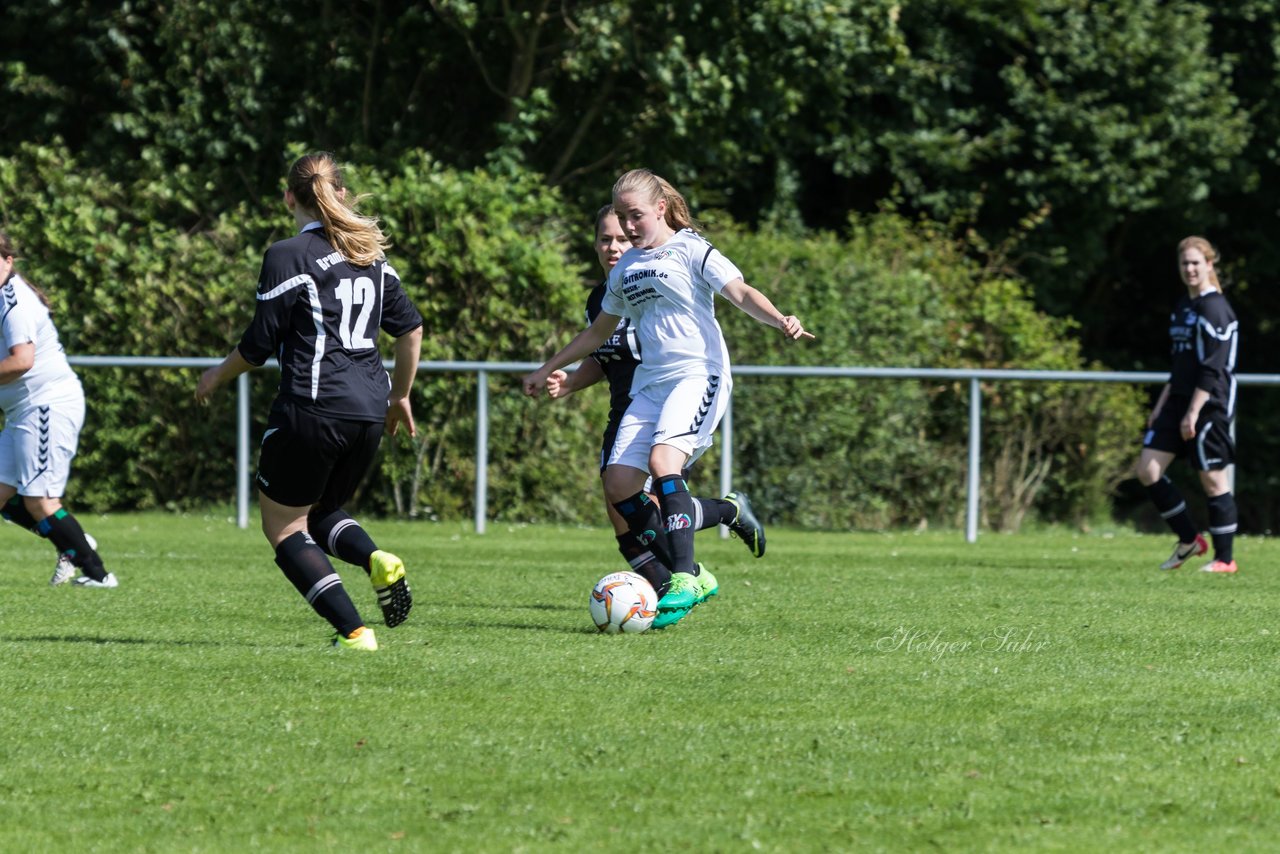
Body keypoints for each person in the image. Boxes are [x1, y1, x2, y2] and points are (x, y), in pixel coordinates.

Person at [523, 169, 812, 627]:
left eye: (635, 215)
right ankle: (712, 536)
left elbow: (738, 291)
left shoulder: (690, 248)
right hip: (650, 384)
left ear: (660, 209)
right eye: (620, 216)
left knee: (663, 464)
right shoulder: (625, 269)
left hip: (698, 373)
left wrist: (780, 319)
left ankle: (683, 576)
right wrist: (546, 368)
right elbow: (599, 332)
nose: (628, 226)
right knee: (618, 484)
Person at [196, 152, 425, 650]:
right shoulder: (371, 256)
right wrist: (401, 395)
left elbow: (257, 346)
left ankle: (355, 632)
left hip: (313, 407)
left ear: (288, 198)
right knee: (320, 513)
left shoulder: (287, 255)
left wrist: (215, 375)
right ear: (340, 194)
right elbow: (410, 329)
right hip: (368, 410)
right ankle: (376, 560)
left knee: (282, 527)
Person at [0, 232, 114, 587]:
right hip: (23, 411)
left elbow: (22, 361)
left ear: (8, 260)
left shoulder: (13, 300)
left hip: (45, 405)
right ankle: (73, 541)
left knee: (40, 500)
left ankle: (97, 574)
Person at [1136, 235, 1239, 573]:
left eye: (1196, 262)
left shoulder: (1214, 307)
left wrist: (1193, 411)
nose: (1190, 268)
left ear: (1210, 264)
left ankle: (1225, 560)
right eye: (1185, 263)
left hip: (1208, 404)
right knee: (1148, 469)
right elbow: (1180, 363)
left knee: (1212, 479)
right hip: (1177, 400)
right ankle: (1190, 540)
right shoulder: (1184, 306)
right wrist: (1163, 403)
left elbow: (1213, 367)